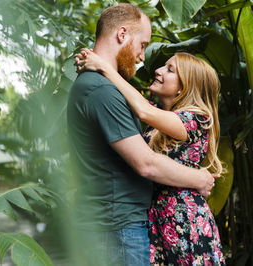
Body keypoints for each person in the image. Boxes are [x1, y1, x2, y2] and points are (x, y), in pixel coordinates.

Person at [66, 3, 218, 266]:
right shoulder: (104, 92)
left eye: (170, 70)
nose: (145, 59)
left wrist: (103, 67)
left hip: (177, 220)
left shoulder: (195, 118)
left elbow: (140, 109)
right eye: (143, 44)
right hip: (128, 224)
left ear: (186, 87)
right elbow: (146, 161)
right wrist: (199, 178)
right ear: (122, 35)